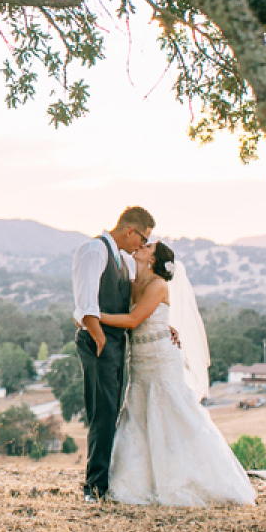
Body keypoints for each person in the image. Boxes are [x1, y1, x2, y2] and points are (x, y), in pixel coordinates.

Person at [98, 241, 257, 506]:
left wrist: (94, 316)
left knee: (172, 413)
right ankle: (139, 481)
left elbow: (132, 320)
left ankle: (190, 478)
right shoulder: (131, 280)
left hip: (161, 358)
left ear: (153, 259)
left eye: (147, 246)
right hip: (138, 359)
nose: (140, 245)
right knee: (138, 415)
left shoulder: (159, 284)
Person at [72, 206, 154, 502]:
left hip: (116, 345)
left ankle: (102, 481)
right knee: (102, 413)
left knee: (111, 411)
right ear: (130, 230)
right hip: (100, 343)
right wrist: (100, 338)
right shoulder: (94, 250)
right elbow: (86, 303)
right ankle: (94, 488)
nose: (142, 246)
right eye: (142, 239)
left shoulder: (123, 260)